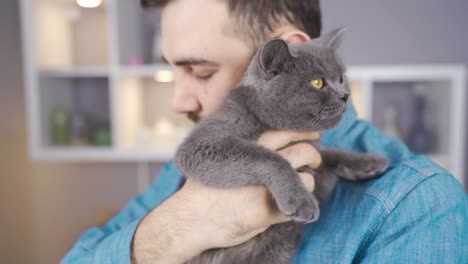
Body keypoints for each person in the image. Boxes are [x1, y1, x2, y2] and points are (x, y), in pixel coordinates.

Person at [62, 0, 468, 263]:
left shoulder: (420, 206)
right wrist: (180, 225)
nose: (179, 102)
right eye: (173, 70)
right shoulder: (194, 167)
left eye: (200, 71)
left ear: (284, 55)